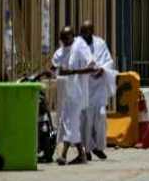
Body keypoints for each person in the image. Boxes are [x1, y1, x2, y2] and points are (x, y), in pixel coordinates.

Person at [50, 26, 94, 165]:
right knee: (67, 122)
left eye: (66, 38)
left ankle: (63, 154)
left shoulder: (80, 47)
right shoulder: (60, 52)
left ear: (73, 36)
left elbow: (91, 67)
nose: (63, 41)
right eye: (61, 39)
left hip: (78, 92)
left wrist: (71, 72)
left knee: (71, 122)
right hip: (65, 94)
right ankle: (81, 155)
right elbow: (53, 68)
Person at [79, 21, 116, 160]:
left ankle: (98, 147)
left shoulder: (100, 43)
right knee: (87, 120)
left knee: (101, 116)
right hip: (85, 87)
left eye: (87, 31)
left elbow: (109, 61)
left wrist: (103, 69)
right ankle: (88, 149)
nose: (85, 35)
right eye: (83, 32)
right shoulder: (78, 46)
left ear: (92, 31)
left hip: (99, 86)